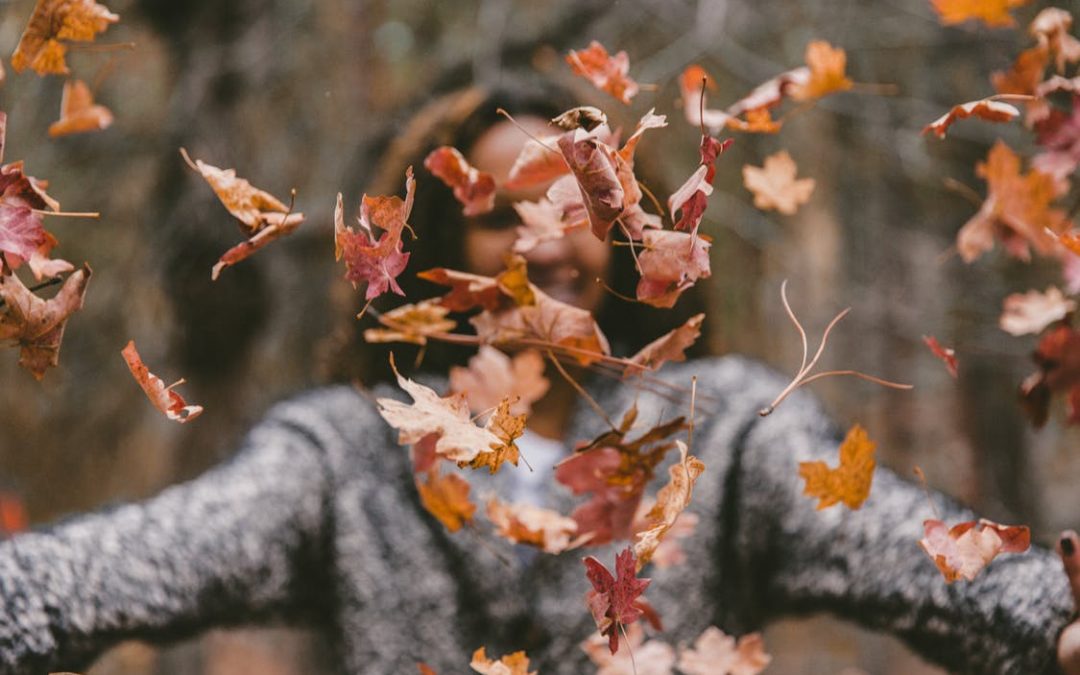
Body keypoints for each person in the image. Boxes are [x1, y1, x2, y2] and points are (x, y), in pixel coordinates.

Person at [1, 78, 1079, 675]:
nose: (544, 241)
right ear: (431, 248)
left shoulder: (726, 431)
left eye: (575, 207)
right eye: (498, 211)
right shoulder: (344, 455)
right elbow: (135, 562)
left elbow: (913, 559)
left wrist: (1054, 618)